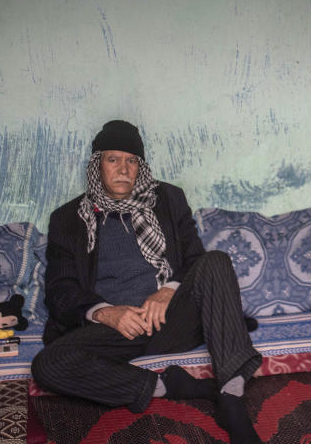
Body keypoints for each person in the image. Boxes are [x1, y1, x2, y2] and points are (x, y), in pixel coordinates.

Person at [31, 120, 263, 443]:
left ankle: (231, 398)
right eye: (113, 160)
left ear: (141, 167)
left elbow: (196, 260)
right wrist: (107, 313)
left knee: (217, 261)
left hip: (173, 318)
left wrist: (167, 292)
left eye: (131, 161)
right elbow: (60, 291)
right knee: (48, 365)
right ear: (97, 165)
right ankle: (169, 387)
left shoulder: (168, 199)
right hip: (116, 329)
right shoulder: (69, 218)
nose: (123, 169)